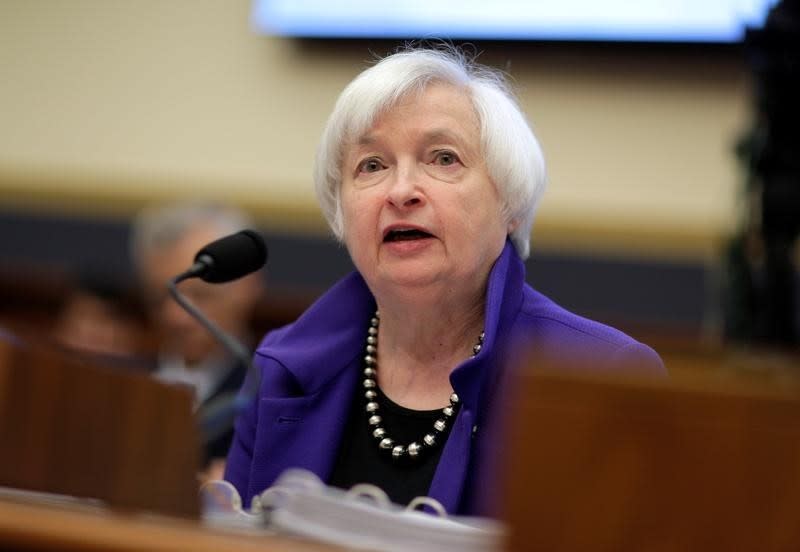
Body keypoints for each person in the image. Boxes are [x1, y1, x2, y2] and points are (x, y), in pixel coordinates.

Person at [224, 47, 665, 516]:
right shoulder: (283, 370)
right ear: (340, 211)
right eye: (372, 165)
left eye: (443, 159)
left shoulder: (603, 374)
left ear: (510, 205)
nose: (401, 191)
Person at [131, 202, 265, 476]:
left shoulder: (274, 393)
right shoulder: (124, 384)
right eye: (159, 298)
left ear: (248, 288)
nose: (175, 317)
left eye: (201, 296)